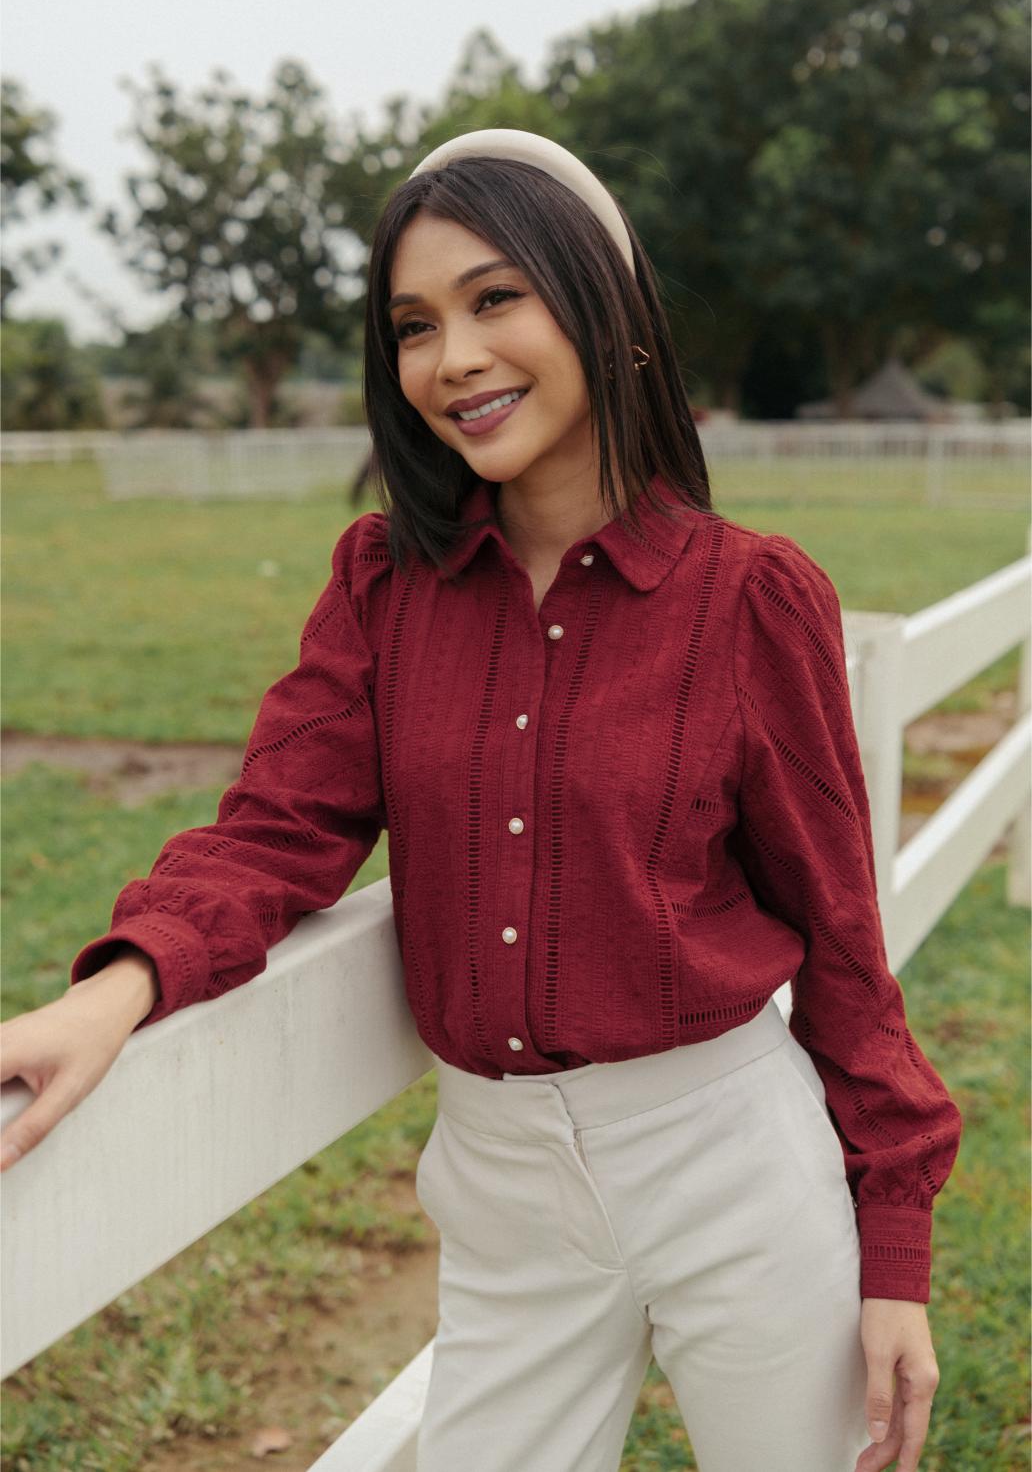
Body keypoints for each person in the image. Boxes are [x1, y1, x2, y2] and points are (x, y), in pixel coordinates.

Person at [0, 129, 962, 1472]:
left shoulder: (750, 596)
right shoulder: (381, 585)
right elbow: (280, 826)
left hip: (729, 1158)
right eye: (413, 323)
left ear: (607, 313)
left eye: (495, 298)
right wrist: (110, 994)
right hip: (501, 1185)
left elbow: (844, 943)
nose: (451, 358)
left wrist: (894, 1255)